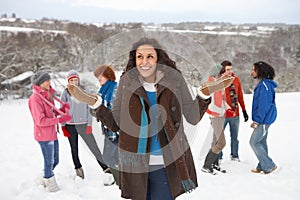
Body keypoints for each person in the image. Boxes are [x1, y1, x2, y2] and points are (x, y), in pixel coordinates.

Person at [89, 38, 233, 200]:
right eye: (139, 57)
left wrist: (204, 95)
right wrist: (97, 106)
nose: (144, 61)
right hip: (136, 163)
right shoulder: (126, 81)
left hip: (165, 162)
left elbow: (192, 116)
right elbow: (116, 124)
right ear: (134, 59)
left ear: (158, 57)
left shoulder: (174, 79)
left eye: (149, 56)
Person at [60, 70, 111, 181]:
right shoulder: (65, 93)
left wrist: (89, 125)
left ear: (78, 80)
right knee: (74, 149)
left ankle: (105, 168)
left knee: (94, 147)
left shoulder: (84, 92)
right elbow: (62, 110)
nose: (74, 82)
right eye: (71, 80)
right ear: (68, 82)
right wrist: (63, 126)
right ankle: (78, 170)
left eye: (75, 80)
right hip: (70, 126)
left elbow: (89, 108)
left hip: (83, 125)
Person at [28, 71, 72, 192]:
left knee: (55, 160)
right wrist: (60, 119)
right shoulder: (35, 98)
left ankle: (44, 176)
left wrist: (62, 110)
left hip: (52, 133)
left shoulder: (47, 94)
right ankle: (49, 180)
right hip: (43, 135)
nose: (49, 82)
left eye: (49, 80)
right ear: (40, 83)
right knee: (49, 161)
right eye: (46, 81)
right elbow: (40, 120)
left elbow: (52, 112)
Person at [249, 61, 277, 174]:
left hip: (264, 119)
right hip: (264, 118)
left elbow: (263, 105)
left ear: (260, 71)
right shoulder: (263, 84)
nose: (251, 72)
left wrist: (257, 121)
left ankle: (269, 165)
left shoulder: (264, 86)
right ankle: (262, 165)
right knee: (261, 142)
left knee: (254, 142)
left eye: (253, 70)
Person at [93, 65, 119, 185]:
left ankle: (117, 179)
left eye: (100, 76)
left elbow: (114, 111)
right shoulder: (102, 91)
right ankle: (121, 178)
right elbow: (100, 110)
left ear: (108, 75)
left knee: (108, 156)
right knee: (115, 156)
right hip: (108, 129)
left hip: (115, 130)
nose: (98, 79)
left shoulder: (114, 89)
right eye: (97, 77)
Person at [201, 64, 229, 175]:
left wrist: (226, 108)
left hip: (220, 114)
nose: (223, 74)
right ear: (217, 73)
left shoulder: (218, 82)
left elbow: (222, 99)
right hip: (216, 115)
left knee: (215, 141)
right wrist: (215, 112)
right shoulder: (211, 83)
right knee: (221, 143)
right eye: (222, 72)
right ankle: (206, 165)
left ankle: (215, 163)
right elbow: (212, 101)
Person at [219, 60, 249, 161]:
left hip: (235, 114)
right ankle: (218, 156)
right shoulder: (219, 81)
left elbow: (240, 96)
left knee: (235, 137)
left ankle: (234, 155)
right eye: (227, 70)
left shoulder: (236, 79)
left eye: (231, 69)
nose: (230, 71)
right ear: (223, 70)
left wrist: (244, 111)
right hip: (222, 115)